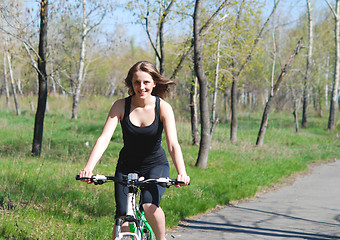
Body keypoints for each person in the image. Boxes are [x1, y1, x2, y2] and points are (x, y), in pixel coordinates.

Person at [79, 61, 190, 240]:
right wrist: (88, 169)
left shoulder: (163, 108)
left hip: (155, 165)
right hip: (127, 165)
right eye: (137, 82)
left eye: (146, 82)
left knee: (148, 205)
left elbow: (172, 144)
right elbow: (104, 138)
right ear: (131, 83)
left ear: (154, 83)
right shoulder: (120, 106)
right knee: (122, 216)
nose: (141, 87)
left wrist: (182, 172)